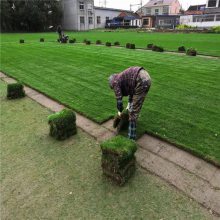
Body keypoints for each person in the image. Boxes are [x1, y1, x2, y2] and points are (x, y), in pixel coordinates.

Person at [109, 66, 151, 140]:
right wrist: (129, 105)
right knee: (136, 104)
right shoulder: (121, 78)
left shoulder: (115, 82)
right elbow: (132, 92)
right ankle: (133, 120)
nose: (114, 89)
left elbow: (119, 100)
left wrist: (119, 111)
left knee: (133, 112)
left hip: (141, 79)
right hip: (146, 76)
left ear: (112, 83)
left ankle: (131, 139)